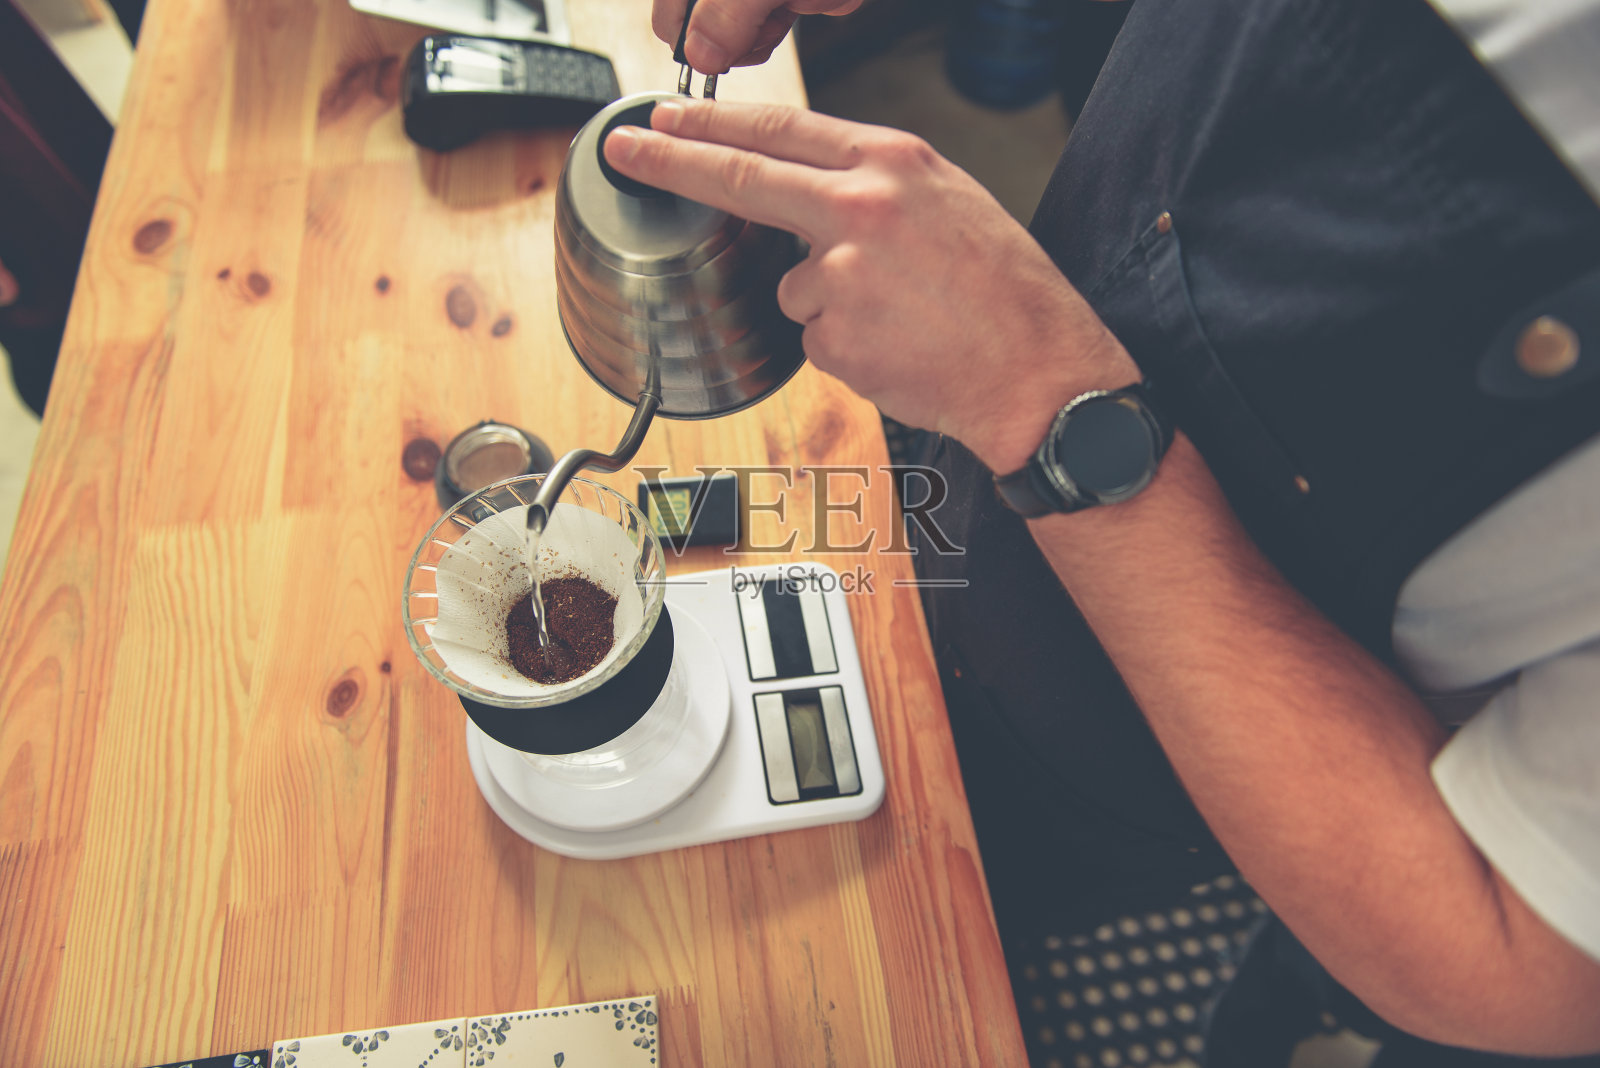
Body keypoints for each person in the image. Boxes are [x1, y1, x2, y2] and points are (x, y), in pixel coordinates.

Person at [607, 0, 1600, 1059]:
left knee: (941, 901)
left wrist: (1041, 397)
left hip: (1156, 744)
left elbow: (1518, 952)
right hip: (972, 474)